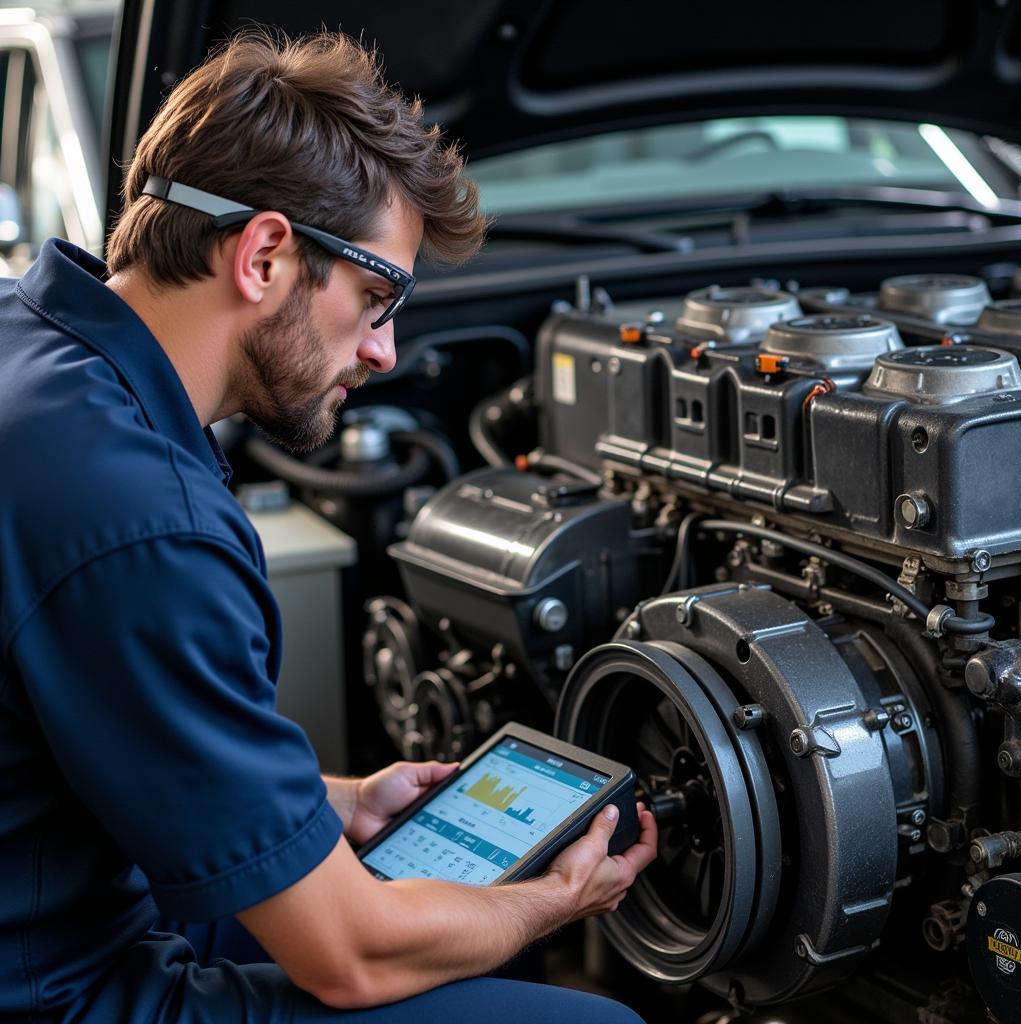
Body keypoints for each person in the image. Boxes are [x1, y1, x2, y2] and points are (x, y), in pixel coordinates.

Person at [0, 29, 658, 1024]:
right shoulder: (145, 523)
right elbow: (349, 960)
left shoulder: (27, 339)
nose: (387, 351)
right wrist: (552, 900)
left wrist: (330, 803)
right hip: (60, 984)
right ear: (264, 252)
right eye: (378, 297)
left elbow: (89, 727)